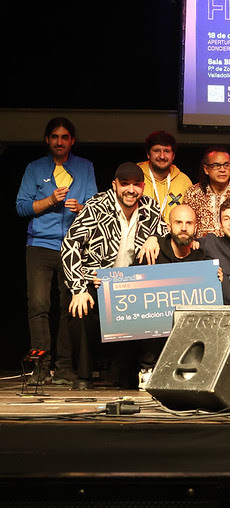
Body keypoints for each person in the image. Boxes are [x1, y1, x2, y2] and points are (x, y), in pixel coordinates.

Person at [61, 162, 167, 389]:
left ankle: (139, 370)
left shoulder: (150, 208)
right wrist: (79, 288)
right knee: (80, 308)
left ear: (143, 186)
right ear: (115, 185)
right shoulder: (97, 206)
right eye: (125, 184)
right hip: (97, 282)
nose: (131, 189)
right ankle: (83, 376)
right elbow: (70, 245)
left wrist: (156, 237)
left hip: (131, 289)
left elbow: (168, 235)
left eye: (136, 184)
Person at [16, 117, 98, 385]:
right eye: (54, 137)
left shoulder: (84, 167)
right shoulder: (35, 168)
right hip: (40, 245)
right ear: (47, 140)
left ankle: (64, 367)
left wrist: (81, 208)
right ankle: (39, 368)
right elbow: (22, 207)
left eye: (64, 137)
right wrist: (50, 200)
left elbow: (95, 209)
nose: (59, 142)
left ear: (72, 140)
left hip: (73, 248)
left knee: (69, 307)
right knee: (38, 306)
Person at [137, 204, 208, 388]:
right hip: (154, 334)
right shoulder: (153, 252)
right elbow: (130, 286)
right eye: (178, 222)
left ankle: (190, 371)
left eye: (189, 223)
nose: (184, 228)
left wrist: (217, 276)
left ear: (195, 227)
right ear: (169, 227)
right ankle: (147, 371)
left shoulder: (202, 258)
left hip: (187, 330)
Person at [185, 145, 230, 238]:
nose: (222, 170)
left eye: (226, 165)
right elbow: (187, 224)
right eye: (216, 165)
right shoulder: (193, 193)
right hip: (202, 249)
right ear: (206, 169)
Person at [137, 130, 193, 223]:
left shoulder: (184, 181)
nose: (162, 156)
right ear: (148, 154)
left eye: (166, 151)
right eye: (157, 151)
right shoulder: (136, 177)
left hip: (173, 236)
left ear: (173, 155)